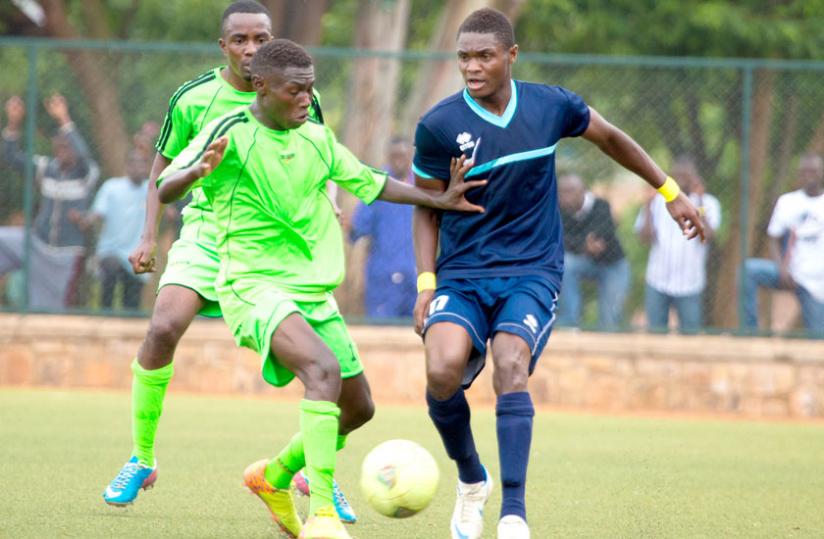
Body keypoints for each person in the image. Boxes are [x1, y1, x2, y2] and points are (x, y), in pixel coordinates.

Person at [156, 38, 484, 539]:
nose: (306, 99)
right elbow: (164, 186)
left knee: (358, 408)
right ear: (261, 87)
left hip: (311, 293)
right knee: (322, 371)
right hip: (252, 286)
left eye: (310, 89)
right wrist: (195, 172)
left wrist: (436, 200)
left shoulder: (316, 137)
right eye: (295, 91)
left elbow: (369, 181)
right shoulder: (229, 131)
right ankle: (324, 516)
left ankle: (274, 477)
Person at [411, 9, 704, 539]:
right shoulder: (438, 125)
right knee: (441, 369)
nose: (472, 67)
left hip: (532, 269)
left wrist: (669, 191)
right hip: (462, 273)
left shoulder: (550, 106)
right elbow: (425, 208)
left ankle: (513, 512)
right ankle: (472, 480)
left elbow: (611, 138)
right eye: (464, 57)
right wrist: (425, 283)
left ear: (511, 56)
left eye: (484, 56)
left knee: (510, 365)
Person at [101, 0, 351, 518]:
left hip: (275, 247)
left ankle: (310, 468)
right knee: (162, 326)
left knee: (329, 364)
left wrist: (329, 200)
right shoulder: (193, 98)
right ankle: (142, 457)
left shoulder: (301, 93)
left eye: (261, 39)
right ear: (223, 46)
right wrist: (148, 236)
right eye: (240, 40)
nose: (251, 48)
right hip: (208, 234)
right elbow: (163, 168)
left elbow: (321, 156)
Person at [0, 93, 99, 311]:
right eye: (58, 146)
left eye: (66, 146)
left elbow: (83, 154)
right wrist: (13, 122)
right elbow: (11, 156)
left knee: (47, 310)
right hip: (37, 244)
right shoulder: (47, 168)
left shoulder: (86, 173)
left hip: (65, 254)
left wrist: (64, 119)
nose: (61, 150)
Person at [635, 156, 721, 333]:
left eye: (686, 176)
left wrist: (700, 201)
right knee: (655, 333)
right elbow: (644, 237)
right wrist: (648, 205)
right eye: (677, 176)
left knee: (690, 334)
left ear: (695, 178)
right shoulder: (658, 202)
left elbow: (708, 236)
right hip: (658, 278)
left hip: (690, 281)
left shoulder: (709, 203)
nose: (681, 181)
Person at [742, 153, 824, 336]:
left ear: (821, 173)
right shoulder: (788, 202)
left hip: (818, 283)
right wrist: (781, 268)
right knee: (748, 270)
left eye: (813, 171)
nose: (808, 176)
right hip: (790, 273)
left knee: (818, 338)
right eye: (804, 172)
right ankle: (750, 332)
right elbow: (774, 238)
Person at [71, 150, 150, 310]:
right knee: (110, 272)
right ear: (128, 166)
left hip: (140, 254)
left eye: (143, 164)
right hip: (111, 250)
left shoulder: (151, 189)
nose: (140, 168)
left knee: (132, 303)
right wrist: (85, 220)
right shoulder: (112, 187)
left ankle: (129, 323)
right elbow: (97, 213)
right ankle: (105, 316)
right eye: (136, 164)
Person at [349, 137, 417, 319]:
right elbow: (357, 229)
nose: (399, 160)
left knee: (417, 330)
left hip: (415, 277)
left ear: (410, 156)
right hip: (383, 277)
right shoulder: (377, 185)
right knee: (383, 328)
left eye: (403, 155)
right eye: (395, 156)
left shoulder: (421, 186)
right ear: (388, 156)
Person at [556, 173, 629, 330]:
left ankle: (608, 332)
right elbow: (560, 239)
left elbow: (606, 231)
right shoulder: (559, 211)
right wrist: (585, 244)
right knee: (565, 264)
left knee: (610, 320)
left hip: (612, 264)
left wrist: (588, 242)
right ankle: (570, 322)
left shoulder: (601, 205)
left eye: (570, 191)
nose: (565, 196)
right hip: (583, 261)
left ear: (583, 190)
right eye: (562, 192)